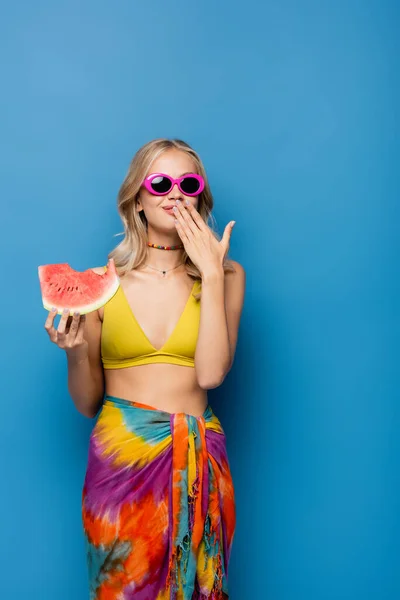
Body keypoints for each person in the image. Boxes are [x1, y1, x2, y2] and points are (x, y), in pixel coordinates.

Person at [44, 138, 246, 599]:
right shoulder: (103, 283)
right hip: (120, 461)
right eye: (160, 183)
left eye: (187, 184)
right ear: (138, 198)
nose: (174, 194)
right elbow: (86, 402)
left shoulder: (229, 277)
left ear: (200, 197)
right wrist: (75, 351)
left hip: (199, 460)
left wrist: (211, 274)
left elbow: (211, 374)